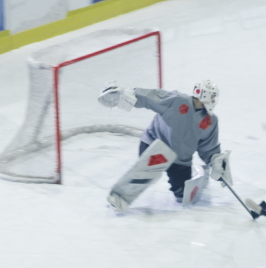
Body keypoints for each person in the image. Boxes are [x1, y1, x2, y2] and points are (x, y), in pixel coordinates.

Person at [98, 80, 230, 202]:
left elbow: (208, 148)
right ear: (205, 95)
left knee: (182, 195)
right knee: (147, 171)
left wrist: (216, 161)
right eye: (212, 96)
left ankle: (197, 173)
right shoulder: (177, 101)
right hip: (154, 143)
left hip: (181, 160)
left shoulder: (210, 121)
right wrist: (125, 96)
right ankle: (120, 196)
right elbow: (151, 97)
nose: (213, 100)